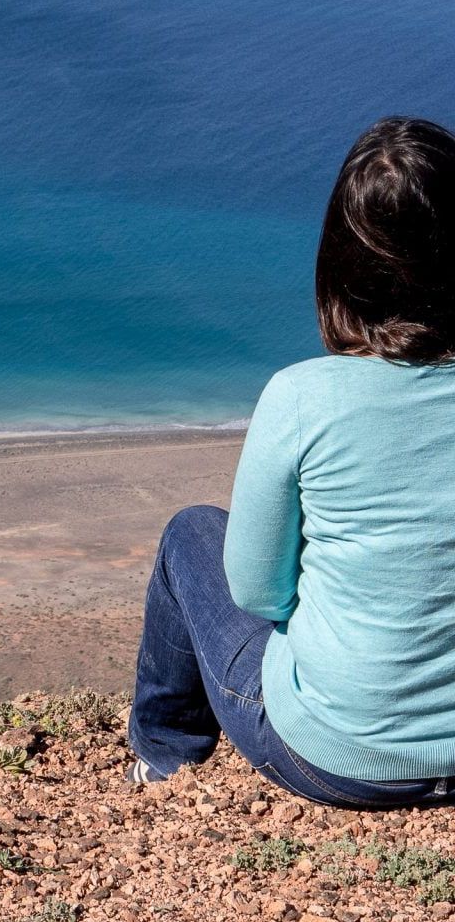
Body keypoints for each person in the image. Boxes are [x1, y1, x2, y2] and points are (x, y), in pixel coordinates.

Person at [127, 115, 455, 807]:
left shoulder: (303, 397)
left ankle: (164, 759)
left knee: (192, 533)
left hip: (335, 759)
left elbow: (255, 593)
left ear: (342, 260)